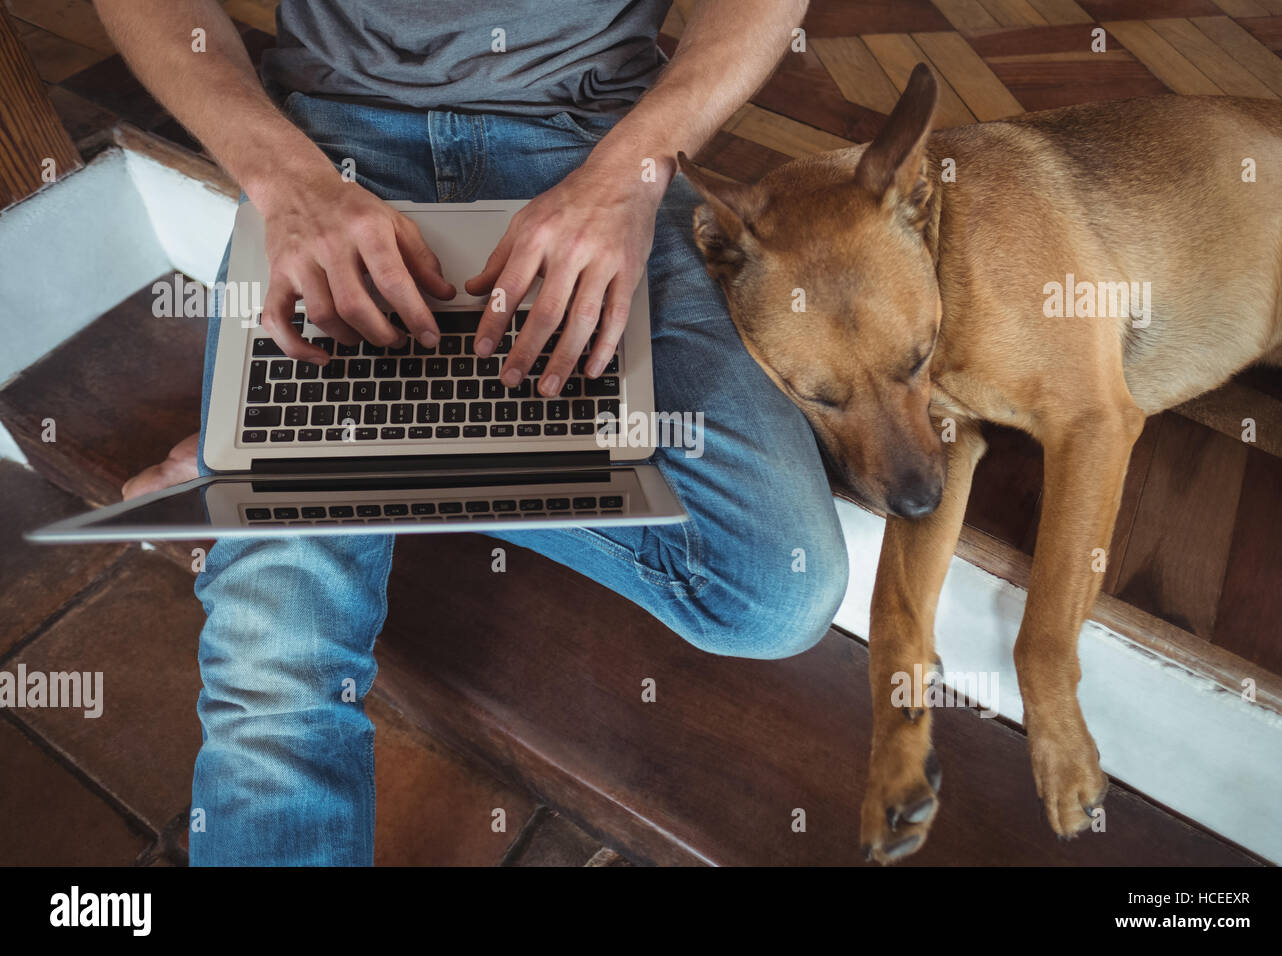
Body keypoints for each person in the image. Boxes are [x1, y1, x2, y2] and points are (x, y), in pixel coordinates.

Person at [97, 0, 848, 865]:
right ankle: (323, 460)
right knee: (275, 666)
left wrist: (635, 172)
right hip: (330, 154)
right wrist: (282, 179)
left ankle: (326, 460)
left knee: (776, 595)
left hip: (597, 143)